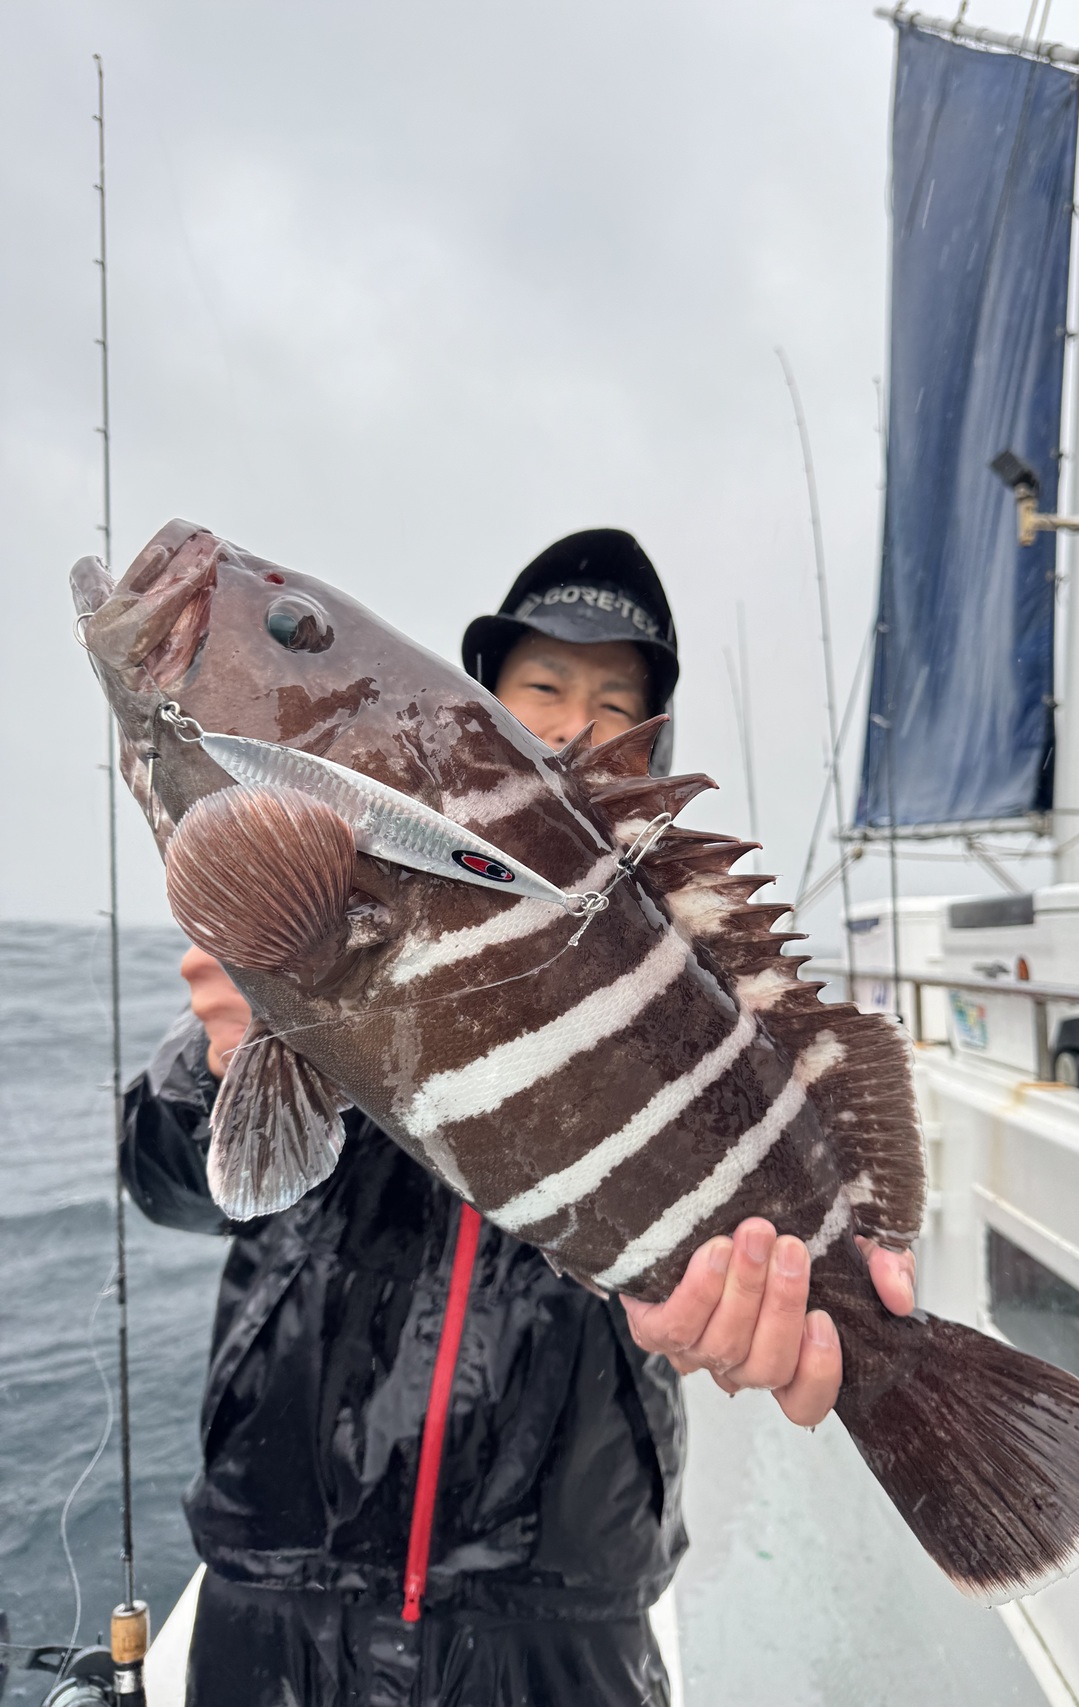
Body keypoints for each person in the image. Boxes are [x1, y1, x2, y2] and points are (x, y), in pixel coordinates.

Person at [122, 529, 915, 1707]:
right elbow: (168, 1183)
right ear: (470, 706)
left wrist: (773, 1310)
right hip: (279, 1577)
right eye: (542, 685)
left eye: (614, 703)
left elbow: (744, 1196)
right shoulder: (329, 898)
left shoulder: (655, 966)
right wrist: (226, 1054)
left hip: (562, 1616)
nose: (572, 722)